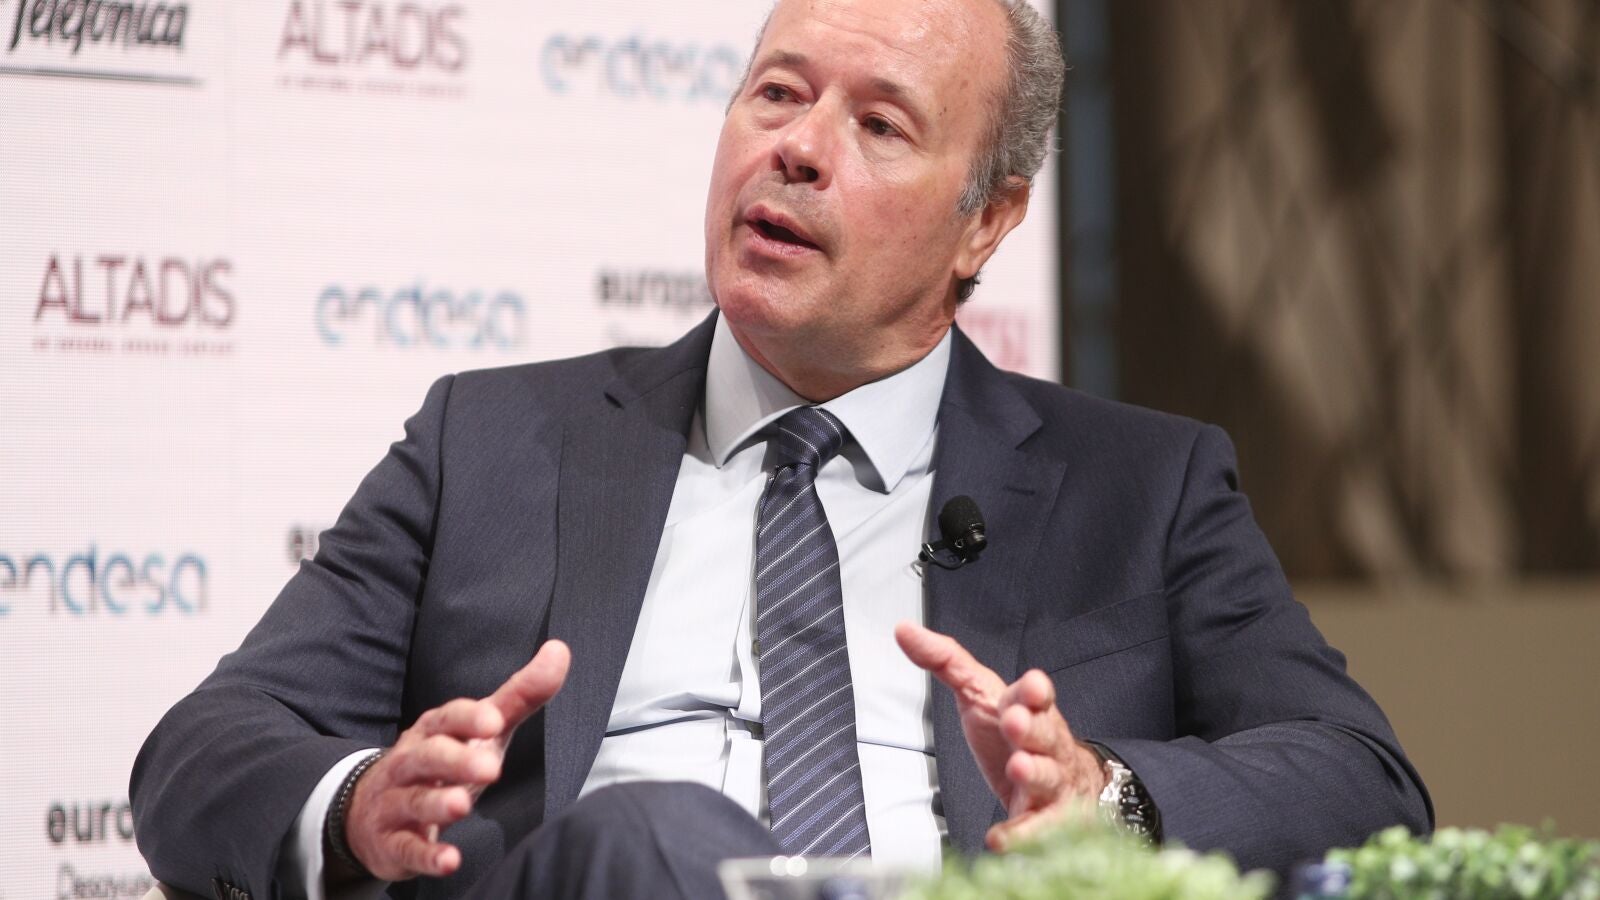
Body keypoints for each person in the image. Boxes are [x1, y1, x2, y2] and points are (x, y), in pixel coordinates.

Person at [130, 0, 1432, 898]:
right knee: (652, 840)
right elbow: (206, 748)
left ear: (988, 221)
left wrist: (1099, 797)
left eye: (879, 125)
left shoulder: (1141, 486)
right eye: (778, 93)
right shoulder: (494, 444)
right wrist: (362, 806)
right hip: (619, 877)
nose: (797, 148)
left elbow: (1363, 781)